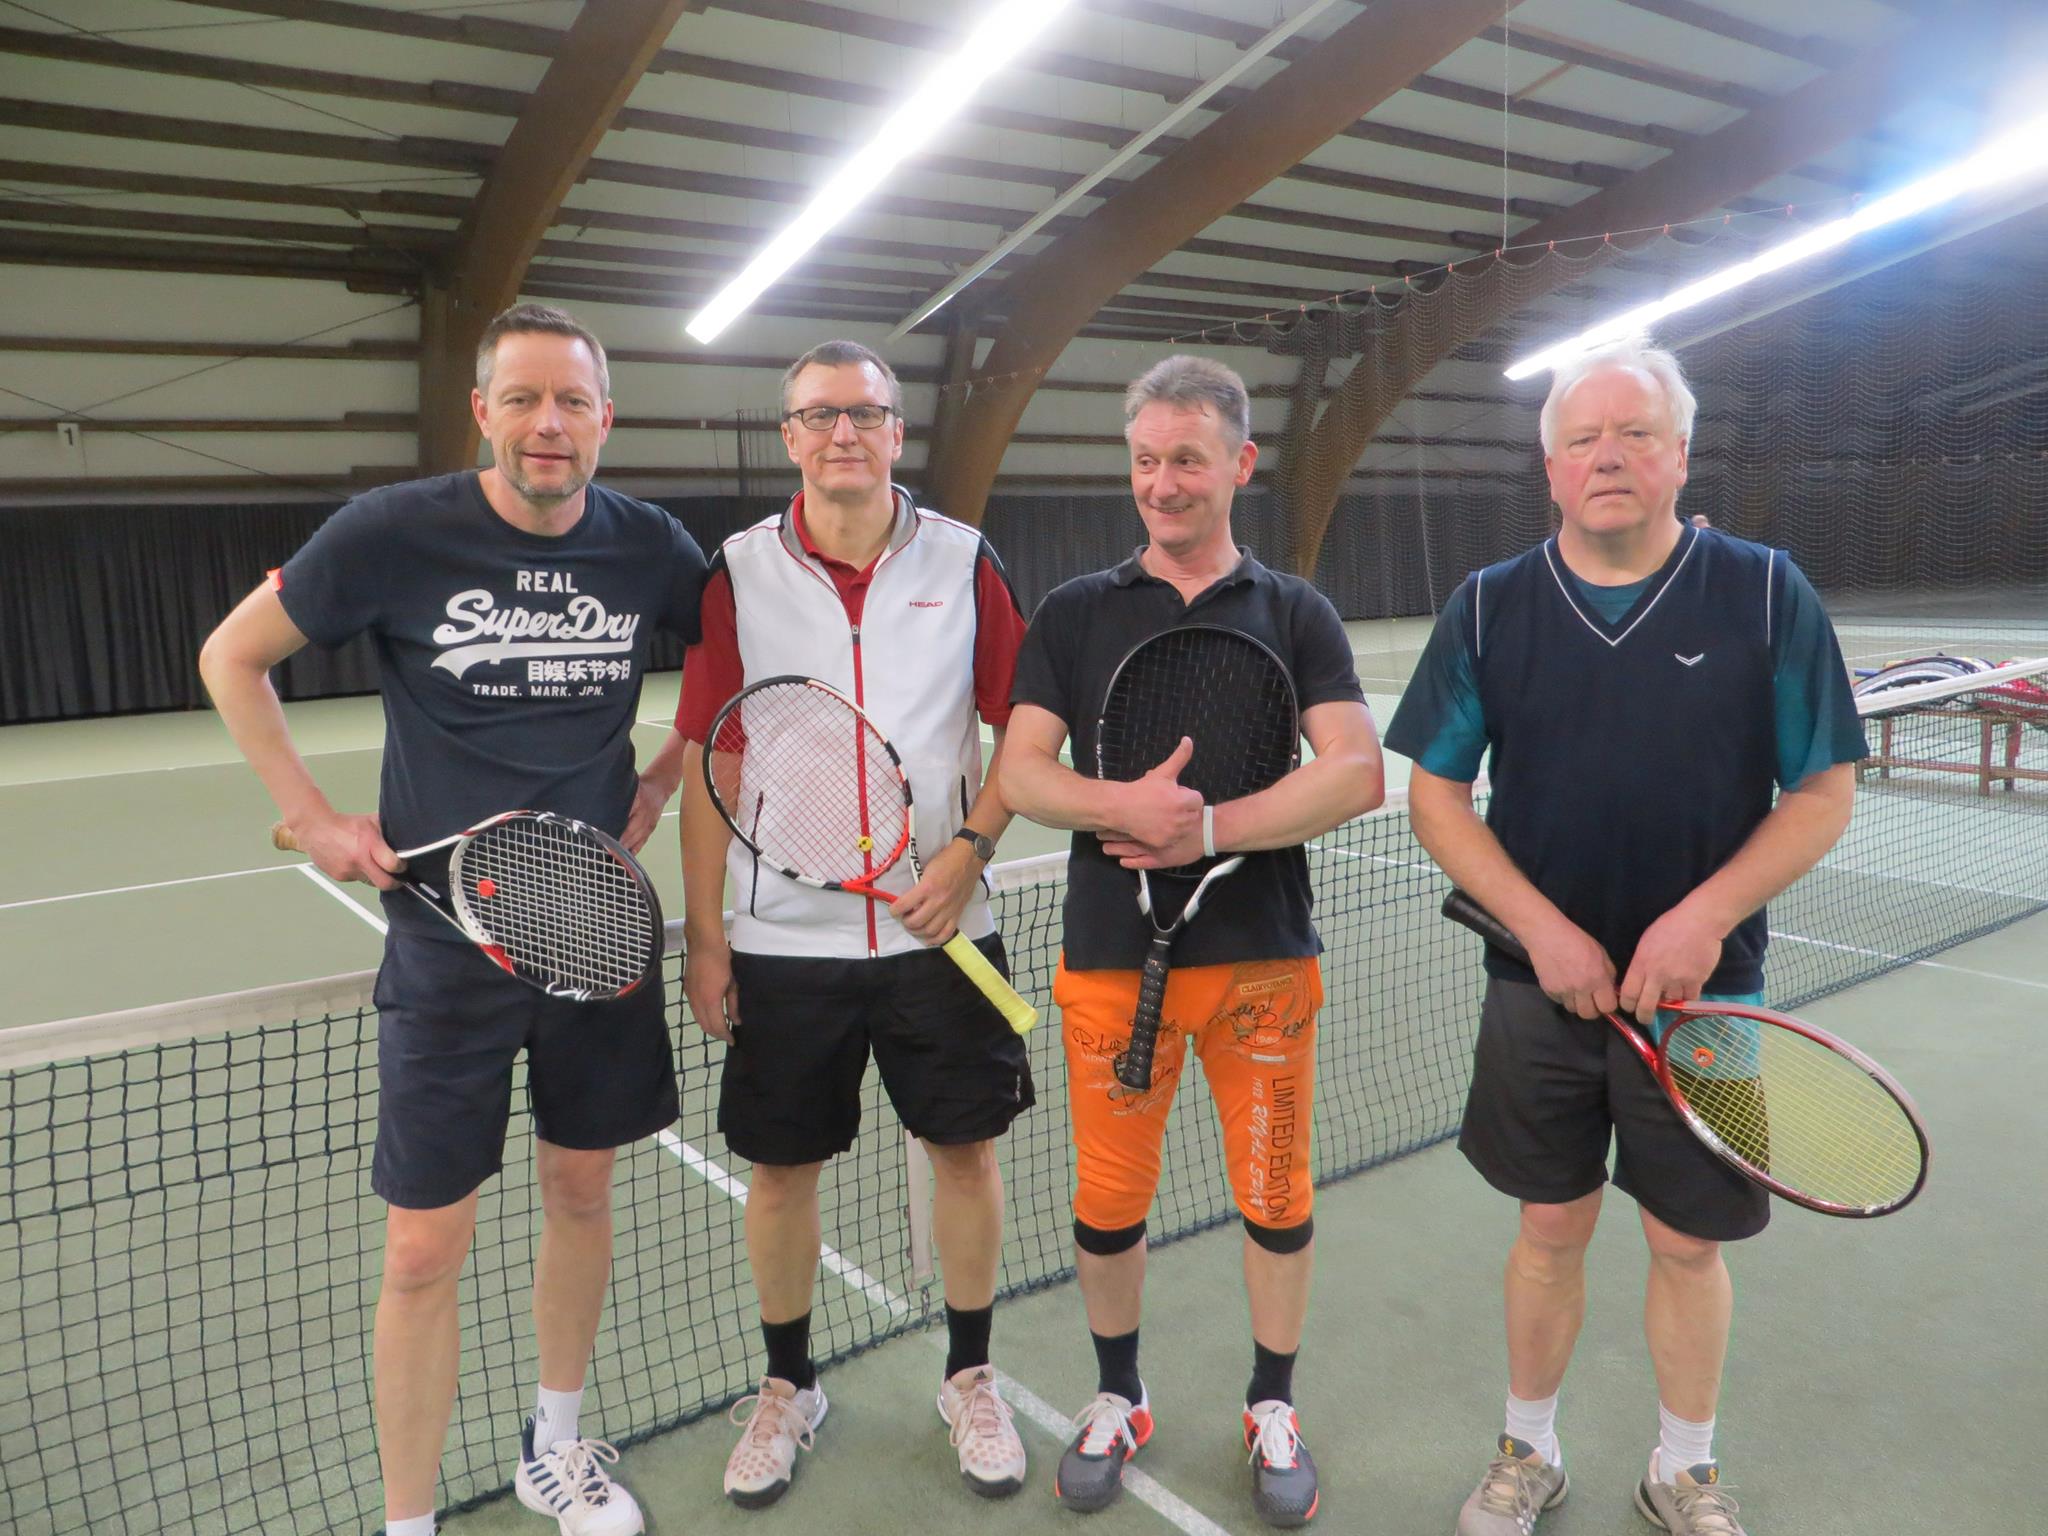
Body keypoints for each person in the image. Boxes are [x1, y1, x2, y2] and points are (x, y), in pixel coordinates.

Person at [199, 302, 706, 1536]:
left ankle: (555, 1446)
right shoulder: (392, 532)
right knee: (422, 1251)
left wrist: (661, 774)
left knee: (580, 1196)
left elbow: (724, 663)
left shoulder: (650, 548)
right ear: (482, 411)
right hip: (443, 943)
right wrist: (313, 817)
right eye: (521, 398)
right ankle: (408, 1520)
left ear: (605, 418)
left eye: (571, 401)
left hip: (594, 932)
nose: (547, 424)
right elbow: (232, 656)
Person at [1382, 339, 1867, 1536]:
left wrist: (1704, 917)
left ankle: (1682, 1471)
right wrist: (1539, 931)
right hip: (1533, 993)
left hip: (1708, 1000)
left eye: (1633, 434)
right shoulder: (1487, 606)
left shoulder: (1764, 593)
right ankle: (1526, 1454)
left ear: (1679, 456)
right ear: (1549, 467)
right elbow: (1435, 794)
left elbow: (1820, 792)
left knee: (1687, 1242)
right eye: (1580, 439)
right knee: (1546, 1230)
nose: (1605, 456)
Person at [1001, 354, 1383, 1529]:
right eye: (1144, 460)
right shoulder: (1073, 612)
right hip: (1111, 968)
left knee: (1274, 1193)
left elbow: (1354, 772)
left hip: (1263, 964)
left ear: (1238, 464)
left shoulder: (1294, 611)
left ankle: (1272, 1405)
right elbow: (1020, 771)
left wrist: (1205, 829)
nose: (1161, 483)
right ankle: (1118, 1397)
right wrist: (1119, 806)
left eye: (1185, 459)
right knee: (1107, 1201)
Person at [674, 340, 1034, 1508]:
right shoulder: (736, 573)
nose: (843, 432)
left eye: (864, 414)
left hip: (942, 929)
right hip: (784, 941)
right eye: (820, 414)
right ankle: (787, 1388)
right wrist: (709, 937)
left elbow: (1027, 734)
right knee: (779, 1172)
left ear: (894, 432)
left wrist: (968, 852)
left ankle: (970, 1378)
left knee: (964, 1155)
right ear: (789, 435)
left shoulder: (963, 560)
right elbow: (714, 760)